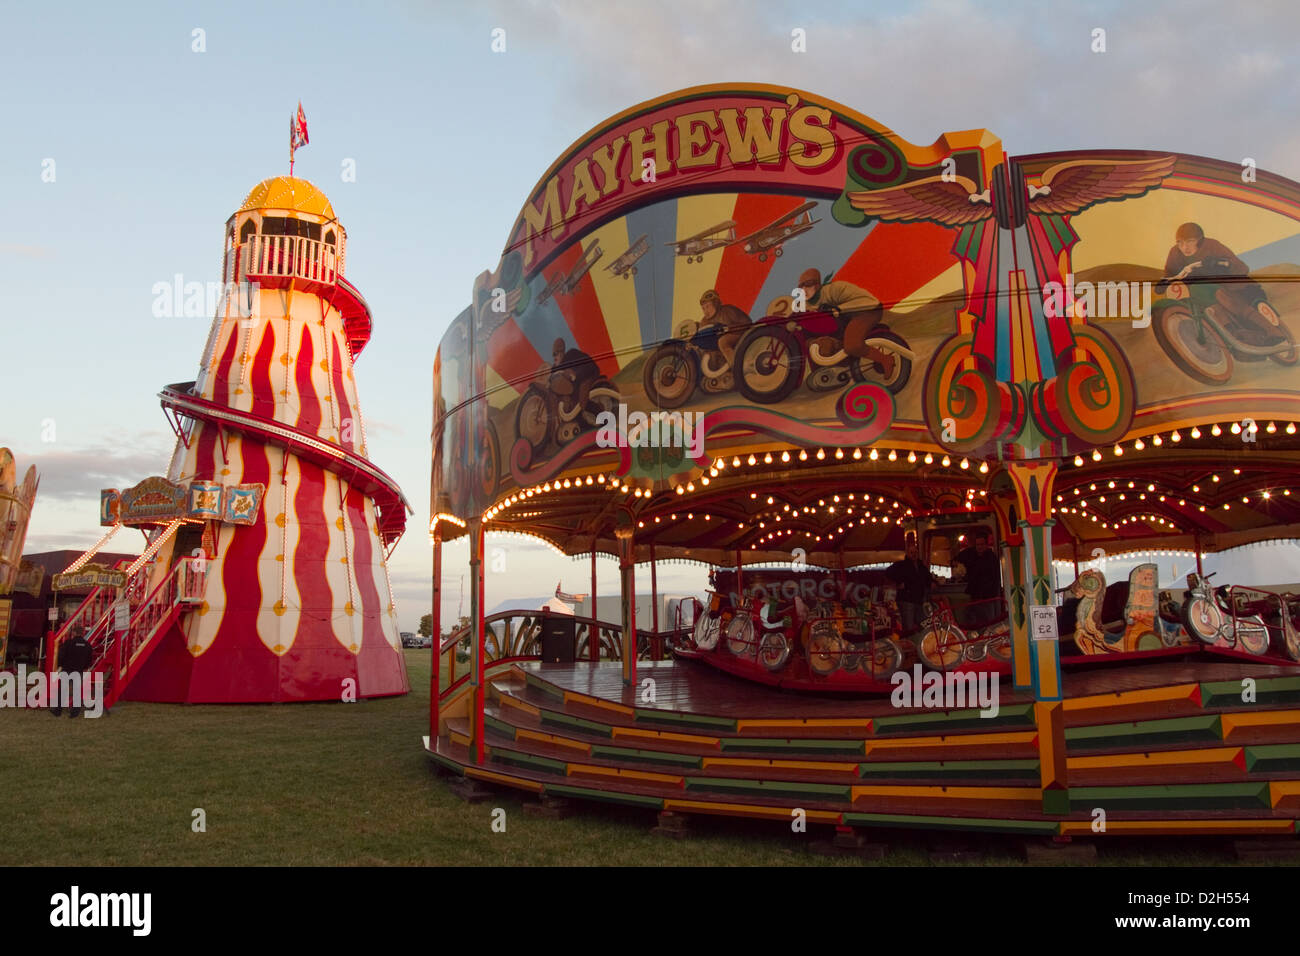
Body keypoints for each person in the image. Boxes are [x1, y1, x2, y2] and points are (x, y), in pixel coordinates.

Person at [1157, 223, 1284, 344]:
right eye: (1180, 242)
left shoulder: (1212, 245)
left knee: (1222, 296)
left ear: (1200, 240)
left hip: (1232, 287)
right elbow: (1170, 273)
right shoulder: (1175, 253)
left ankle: (1272, 331)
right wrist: (1164, 282)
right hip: (1199, 291)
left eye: (1190, 241)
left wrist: (1220, 263)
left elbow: (1241, 267)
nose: (1185, 247)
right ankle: (1232, 334)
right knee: (1200, 304)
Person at [795, 268, 898, 377]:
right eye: (801, 286)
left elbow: (862, 300)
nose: (804, 289)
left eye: (808, 284)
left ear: (818, 284)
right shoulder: (806, 304)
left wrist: (838, 308)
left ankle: (885, 360)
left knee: (852, 345)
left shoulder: (834, 290)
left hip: (866, 310)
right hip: (845, 319)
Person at [693, 290, 752, 371]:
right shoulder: (704, 321)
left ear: (716, 304)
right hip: (715, 346)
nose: (706, 311)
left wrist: (728, 329)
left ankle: (737, 369)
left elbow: (747, 323)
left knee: (723, 342)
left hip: (740, 335)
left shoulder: (727, 311)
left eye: (708, 306)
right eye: (703, 308)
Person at [954, 530, 1002, 627]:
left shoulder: (991, 559)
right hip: (975, 596)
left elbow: (995, 579)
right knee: (973, 621)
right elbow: (959, 557)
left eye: (981, 544)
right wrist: (955, 562)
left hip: (987, 597)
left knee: (988, 623)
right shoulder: (972, 554)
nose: (979, 547)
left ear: (986, 545)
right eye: (977, 545)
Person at [885, 539, 931, 635]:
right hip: (907, 599)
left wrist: (933, 583)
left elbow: (927, 578)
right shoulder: (901, 565)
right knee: (909, 626)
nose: (914, 554)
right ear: (907, 553)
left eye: (915, 552)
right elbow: (888, 573)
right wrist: (898, 583)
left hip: (919, 599)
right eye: (911, 552)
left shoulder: (921, 566)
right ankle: (909, 643)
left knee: (923, 624)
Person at [49, 627, 94, 718]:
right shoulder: (87, 645)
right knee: (77, 692)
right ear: (83, 633)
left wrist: (60, 665)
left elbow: (61, 655)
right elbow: (89, 659)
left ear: (74, 633)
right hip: (79, 671)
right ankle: (75, 713)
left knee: (62, 691)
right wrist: (84, 667)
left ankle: (58, 711)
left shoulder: (68, 643)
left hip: (67, 670)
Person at [549, 337, 600, 407]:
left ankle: (598, 410)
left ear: (562, 352)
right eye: (553, 355)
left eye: (556, 354)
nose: (555, 357)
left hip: (588, 375)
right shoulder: (556, 367)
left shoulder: (572, 354)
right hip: (573, 386)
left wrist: (575, 375)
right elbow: (551, 377)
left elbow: (588, 365)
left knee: (583, 394)